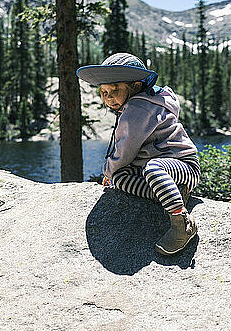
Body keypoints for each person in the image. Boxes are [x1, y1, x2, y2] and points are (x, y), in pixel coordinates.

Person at [76, 53, 201, 255]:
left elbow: (125, 151)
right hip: (166, 172)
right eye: (104, 92)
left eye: (115, 90)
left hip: (184, 165)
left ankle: (182, 223)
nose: (108, 97)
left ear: (135, 86)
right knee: (121, 177)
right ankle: (171, 193)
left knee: (150, 169)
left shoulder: (138, 107)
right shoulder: (146, 102)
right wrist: (113, 174)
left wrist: (107, 172)